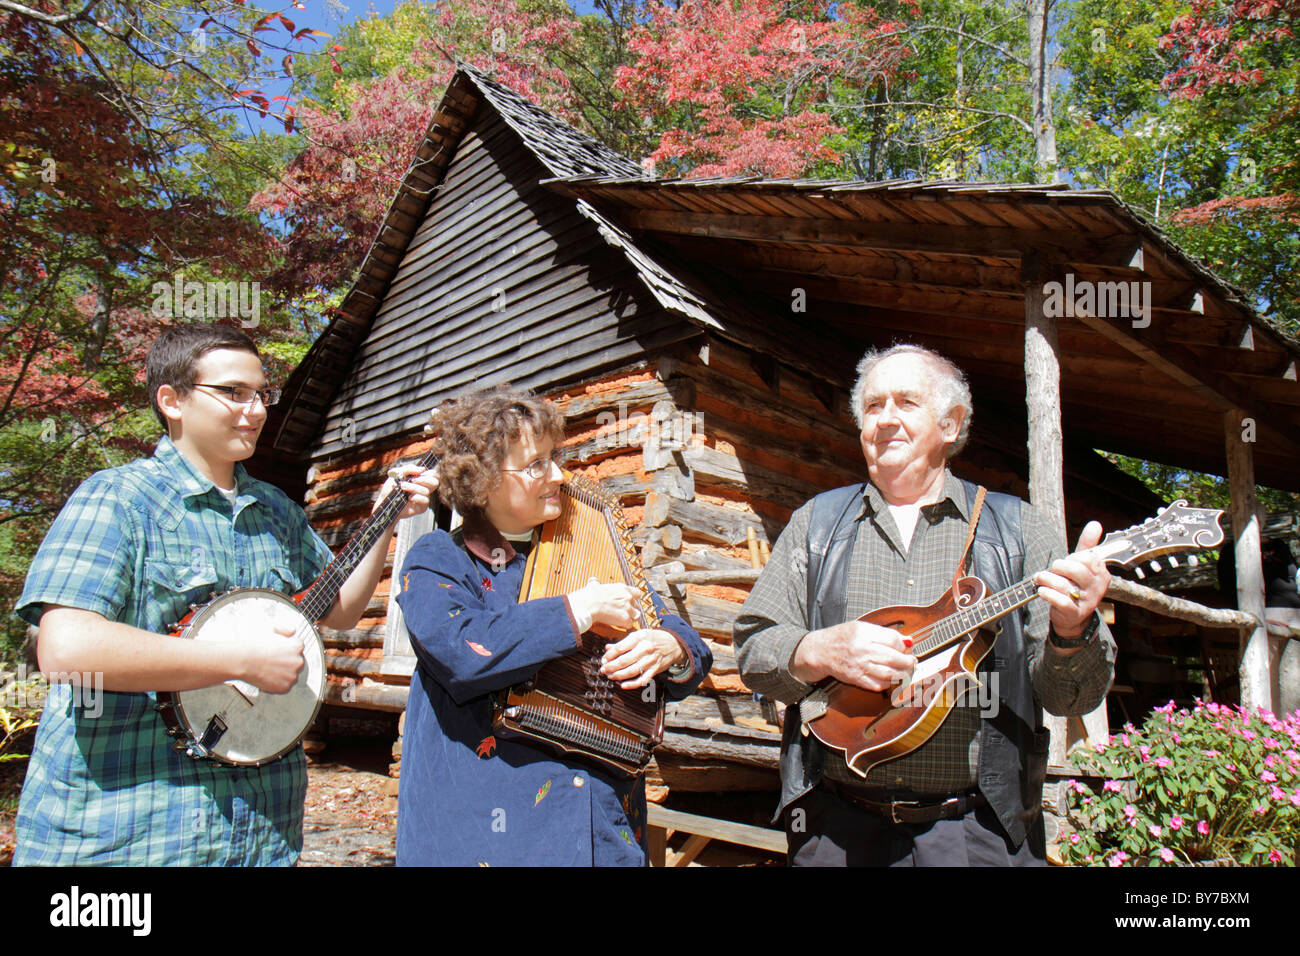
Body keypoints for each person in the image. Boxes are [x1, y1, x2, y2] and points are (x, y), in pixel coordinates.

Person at [13, 323, 438, 866]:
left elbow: (340, 607)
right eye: (233, 392)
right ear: (172, 401)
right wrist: (241, 661)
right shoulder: (117, 498)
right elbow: (68, 651)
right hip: (132, 831)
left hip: (260, 826)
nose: (256, 409)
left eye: (262, 394)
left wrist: (385, 516)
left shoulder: (276, 510)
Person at [734, 344, 1116, 866]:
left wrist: (1071, 632)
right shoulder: (816, 525)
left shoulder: (1019, 530)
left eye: (906, 403)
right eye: (873, 406)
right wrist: (817, 650)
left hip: (979, 831)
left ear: (951, 425)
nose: (885, 419)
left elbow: (1072, 698)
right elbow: (754, 648)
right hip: (837, 829)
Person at [394, 388, 711, 866]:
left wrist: (670, 646)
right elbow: (462, 651)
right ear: (481, 480)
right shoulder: (441, 560)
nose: (558, 475)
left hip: (603, 827)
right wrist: (576, 611)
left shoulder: (592, 548)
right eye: (535, 464)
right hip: (497, 836)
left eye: (556, 458)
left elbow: (689, 645)